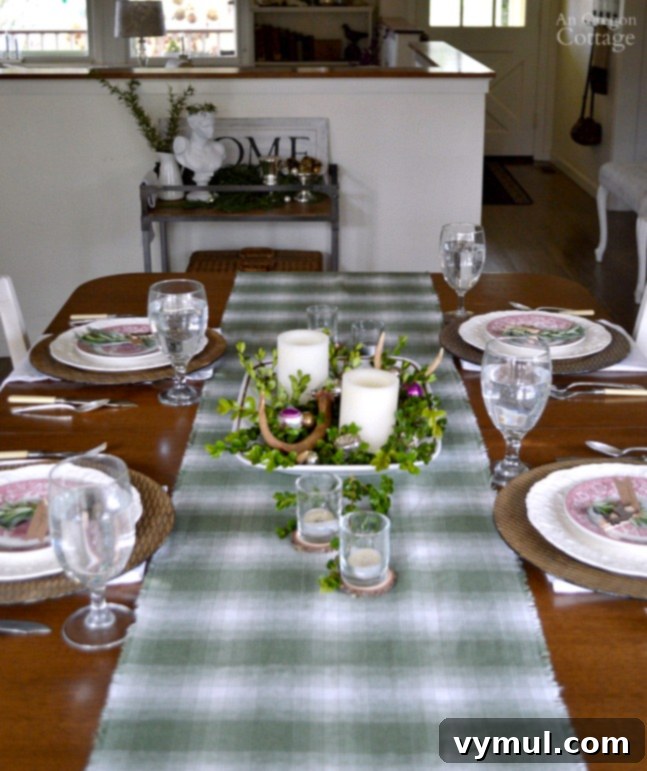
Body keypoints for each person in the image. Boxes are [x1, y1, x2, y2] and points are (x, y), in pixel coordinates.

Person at [173, 110, 226, 200]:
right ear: (193, 126)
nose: (212, 129)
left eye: (212, 125)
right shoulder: (184, 147)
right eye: (206, 126)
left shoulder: (218, 148)